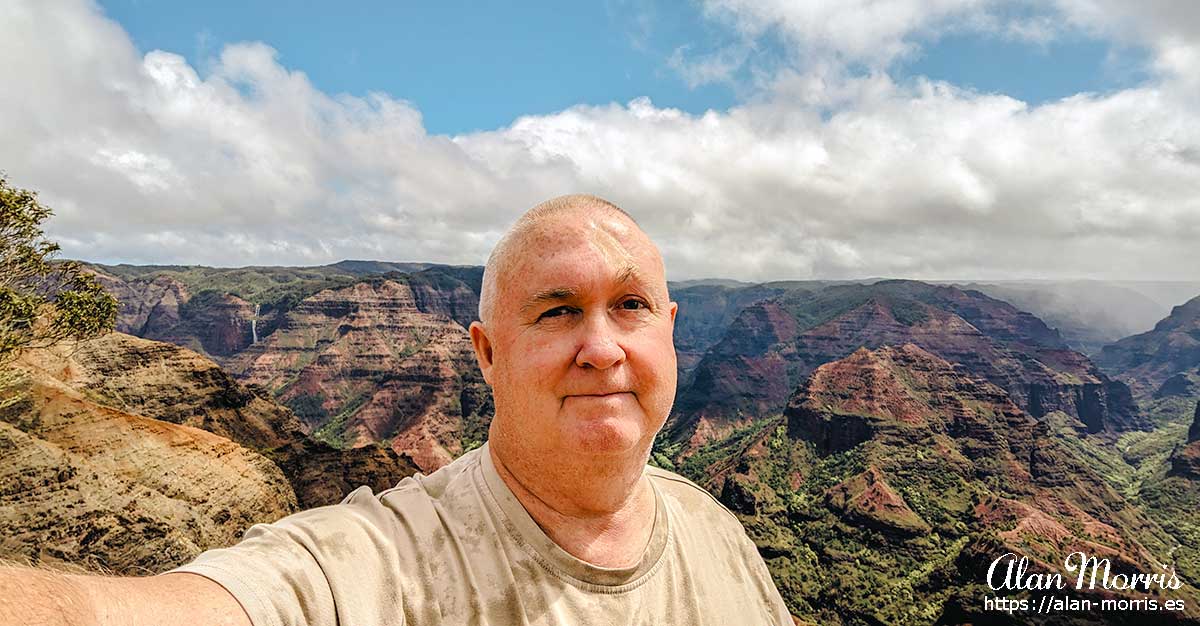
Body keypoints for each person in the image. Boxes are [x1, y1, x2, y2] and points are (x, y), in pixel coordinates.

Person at [0, 194, 792, 625]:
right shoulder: (375, 565)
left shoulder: (715, 531)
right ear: (486, 354)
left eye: (630, 305)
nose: (602, 347)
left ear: (672, 333)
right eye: (555, 312)